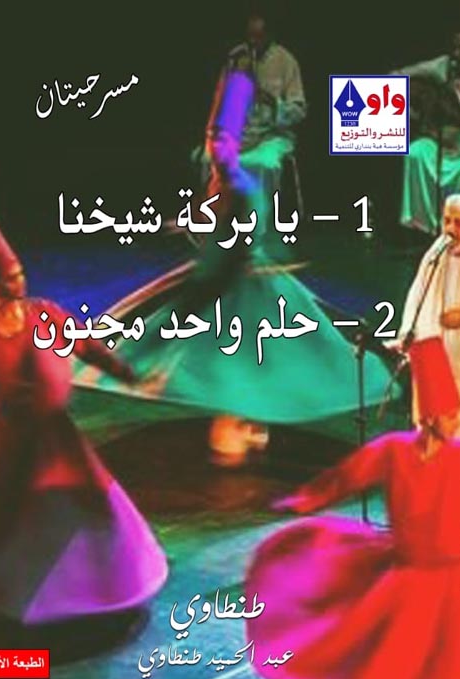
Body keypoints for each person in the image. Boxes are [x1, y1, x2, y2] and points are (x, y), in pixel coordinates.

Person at [74, 68, 397, 467]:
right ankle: (242, 422)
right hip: (217, 276)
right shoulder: (216, 182)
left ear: (236, 143)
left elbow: (238, 245)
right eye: (211, 138)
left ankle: (248, 422)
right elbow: (213, 229)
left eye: (223, 139)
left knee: (255, 362)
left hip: (241, 285)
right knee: (208, 355)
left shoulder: (245, 189)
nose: (215, 147)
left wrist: (203, 279)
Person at [245, 336, 460, 679]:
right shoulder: (394, 451)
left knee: (447, 656)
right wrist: (306, 499)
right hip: (409, 573)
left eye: (457, 414)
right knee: (397, 654)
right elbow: (347, 476)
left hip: (452, 576)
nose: (454, 423)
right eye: (449, 414)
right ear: (430, 415)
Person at [0, 202, 168, 624]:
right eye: (9, 276)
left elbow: (88, 347)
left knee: (79, 505)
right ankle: (7, 593)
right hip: (2, 438)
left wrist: (131, 376)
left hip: (52, 437)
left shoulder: (44, 314)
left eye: (20, 273)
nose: (19, 281)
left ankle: (86, 589)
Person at [197, 6, 307, 226]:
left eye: (259, 37)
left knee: (265, 164)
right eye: (250, 36)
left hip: (272, 135)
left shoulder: (286, 61)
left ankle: (260, 228)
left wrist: (271, 102)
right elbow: (222, 102)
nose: (253, 42)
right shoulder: (237, 58)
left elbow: (299, 110)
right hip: (239, 134)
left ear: (270, 35)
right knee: (207, 158)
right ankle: (214, 224)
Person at [397, 193, 460, 426]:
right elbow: (418, 294)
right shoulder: (438, 250)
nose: (450, 229)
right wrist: (408, 332)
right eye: (447, 221)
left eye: (459, 223)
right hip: (437, 356)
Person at [393, 33, 460, 236]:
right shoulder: (442, 68)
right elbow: (397, 76)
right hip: (441, 140)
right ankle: (424, 224)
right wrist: (410, 110)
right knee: (415, 151)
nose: (458, 53)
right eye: (457, 48)